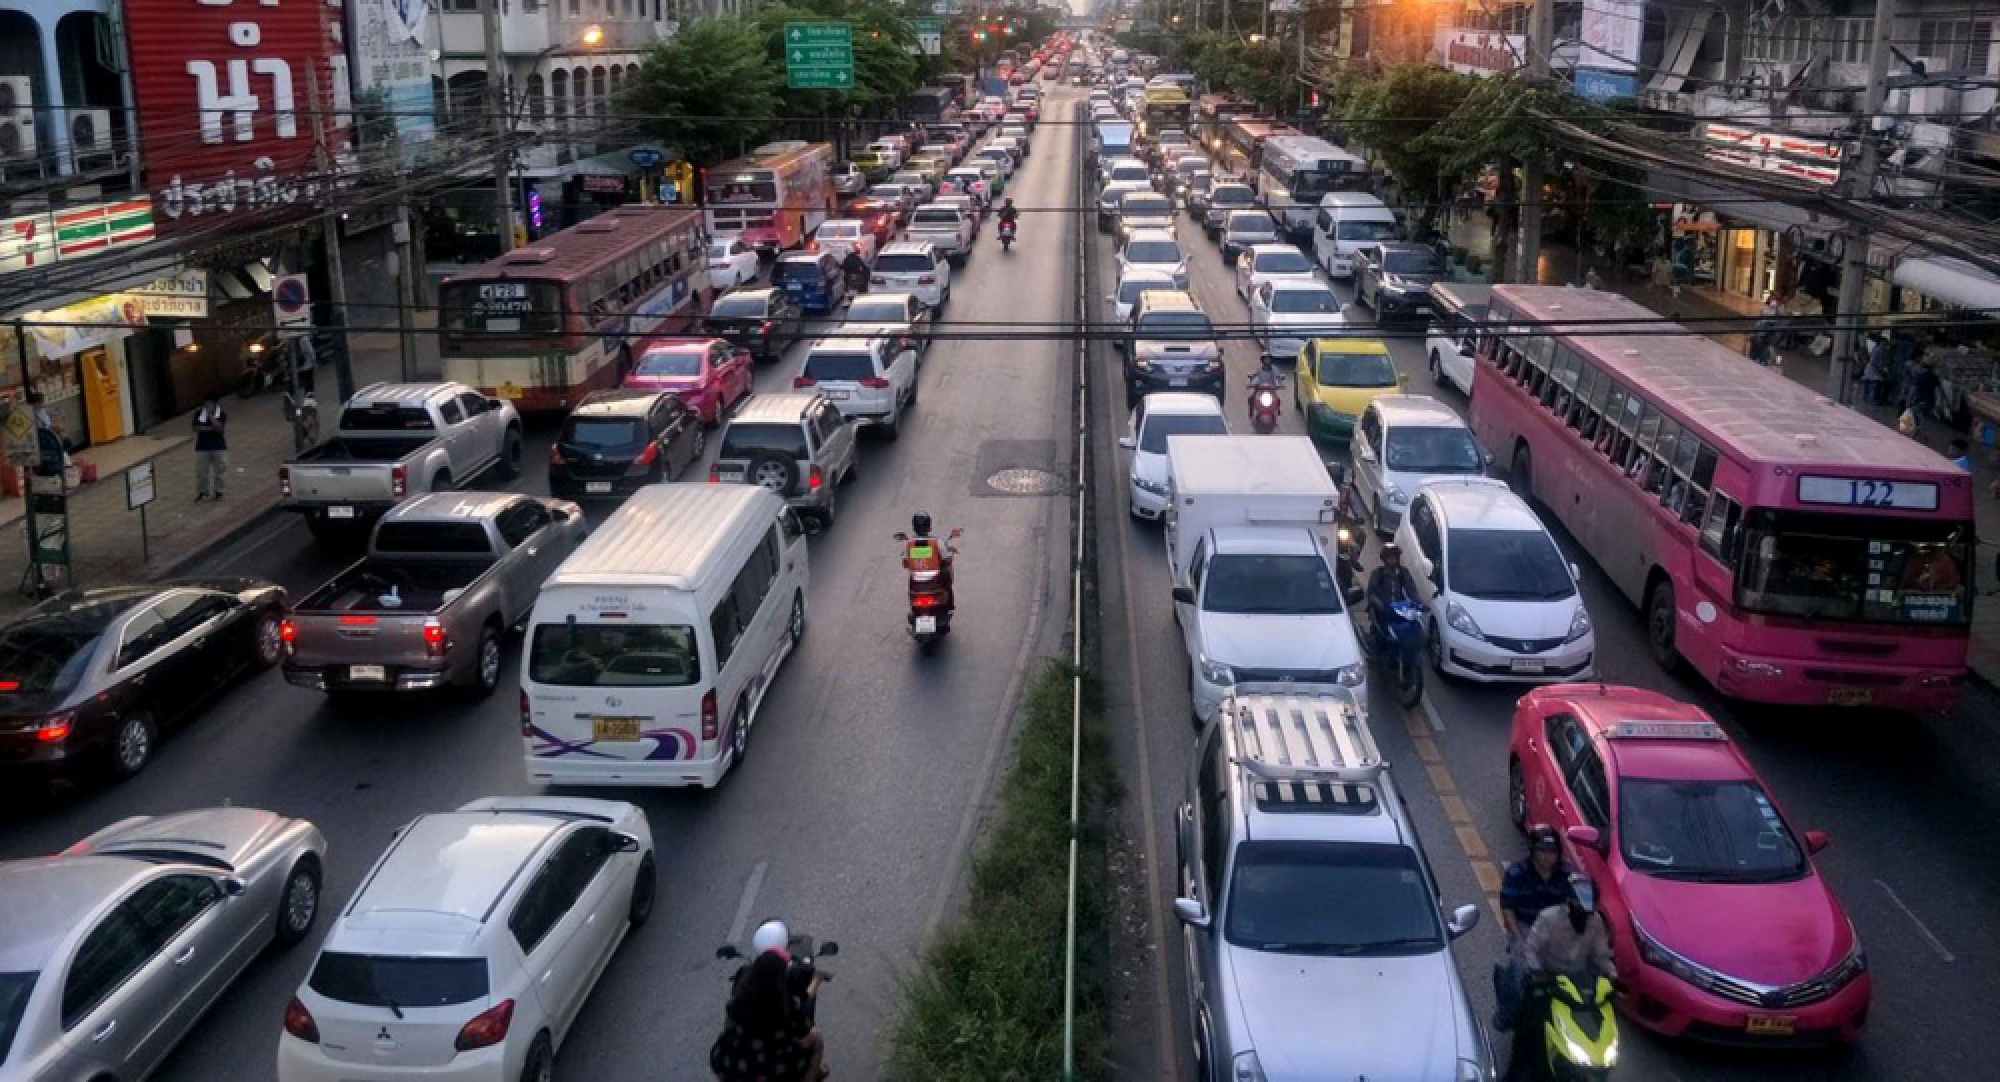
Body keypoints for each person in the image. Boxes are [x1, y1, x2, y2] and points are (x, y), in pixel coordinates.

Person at [1507, 874, 1618, 1082]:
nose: (1584, 913)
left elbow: (1601, 955)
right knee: (1528, 1027)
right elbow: (1530, 949)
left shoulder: (1595, 923)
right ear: (1568, 902)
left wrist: (1612, 973)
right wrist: (1538, 972)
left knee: (1604, 1015)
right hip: (1547, 980)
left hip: (1578, 983)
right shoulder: (1549, 918)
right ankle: (1513, 1070)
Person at [1494, 826, 1571, 1032]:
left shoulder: (1567, 875)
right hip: (1525, 926)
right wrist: (1519, 939)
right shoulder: (1517, 873)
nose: (1548, 857)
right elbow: (1508, 908)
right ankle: (1506, 1012)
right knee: (1518, 969)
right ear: (1533, 851)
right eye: (1542, 851)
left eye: (1552, 852)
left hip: (1556, 929)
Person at [711, 950, 826, 1081]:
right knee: (816, 1038)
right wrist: (816, 980)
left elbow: (728, 1027)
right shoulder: (786, 1005)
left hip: (732, 1063)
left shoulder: (738, 1002)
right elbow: (805, 1032)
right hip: (777, 1068)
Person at [1365, 542, 1421, 646]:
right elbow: (1371, 593)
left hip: (1399, 610)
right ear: (1384, 559)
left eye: (1394, 557)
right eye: (1389, 557)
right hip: (1382, 611)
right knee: (1379, 640)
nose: (1392, 560)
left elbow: (1411, 590)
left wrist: (1419, 603)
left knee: (1415, 631)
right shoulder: (1378, 573)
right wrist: (1380, 605)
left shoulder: (1403, 572)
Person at [901, 510, 956, 609]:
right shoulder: (937, 542)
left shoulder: (908, 544)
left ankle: (913, 607)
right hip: (934, 581)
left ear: (914, 527)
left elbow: (905, 563)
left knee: (910, 583)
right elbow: (947, 559)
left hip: (916, 582)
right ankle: (950, 606)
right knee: (947, 581)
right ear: (929, 526)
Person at [193, 393, 228, 501]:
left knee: (220, 470)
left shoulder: (221, 414)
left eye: (210, 404)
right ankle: (203, 491)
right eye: (206, 404)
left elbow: (219, 428)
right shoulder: (198, 413)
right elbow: (195, 427)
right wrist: (210, 429)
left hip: (218, 446)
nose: (207, 406)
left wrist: (210, 416)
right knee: (201, 471)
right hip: (202, 446)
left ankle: (219, 491)